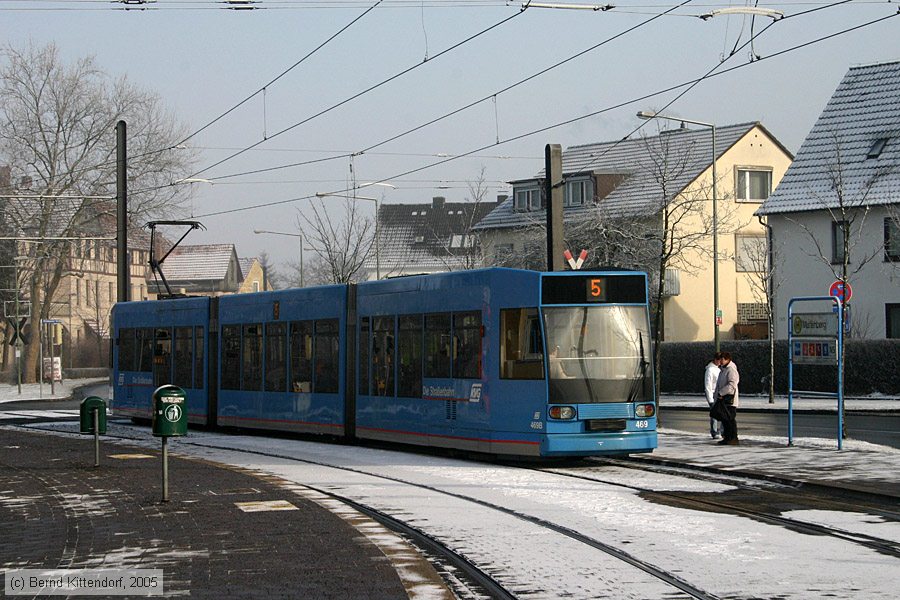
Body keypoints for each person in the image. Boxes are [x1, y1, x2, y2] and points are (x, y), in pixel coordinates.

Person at [714, 351, 740, 445]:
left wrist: (721, 393)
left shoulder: (731, 370)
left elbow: (732, 384)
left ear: (727, 359)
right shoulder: (723, 369)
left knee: (730, 419)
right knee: (725, 420)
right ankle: (727, 437)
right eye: (720, 359)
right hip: (723, 399)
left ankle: (733, 438)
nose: (720, 361)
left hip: (729, 400)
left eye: (722, 359)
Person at [704, 352, 723, 439]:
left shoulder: (718, 369)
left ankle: (721, 431)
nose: (720, 362)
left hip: (719, 394)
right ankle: (714, 432)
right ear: (715, 359)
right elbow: (708, 385)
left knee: (722, 413)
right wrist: (710, 399)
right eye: (719, 360)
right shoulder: (710, 370)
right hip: (712, 395)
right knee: (714, 414)